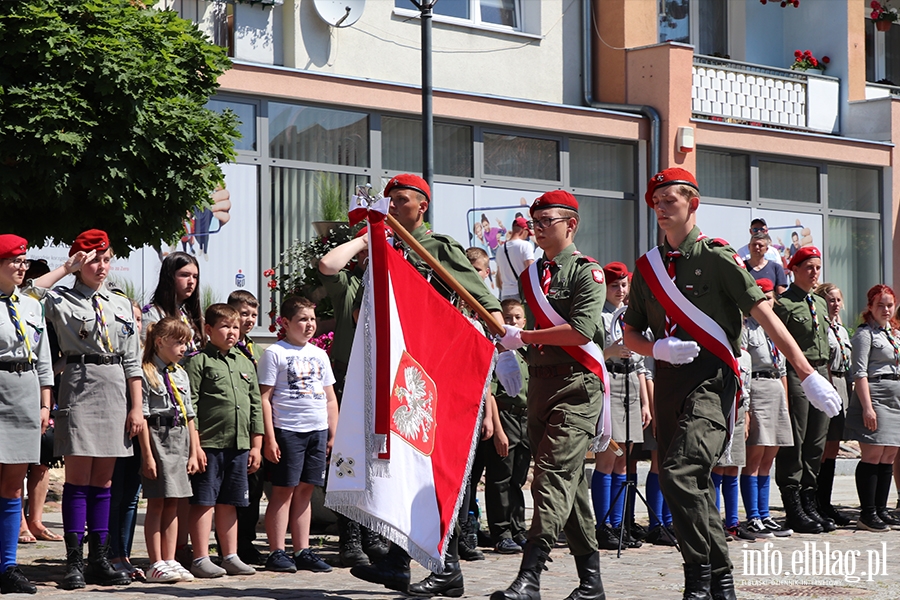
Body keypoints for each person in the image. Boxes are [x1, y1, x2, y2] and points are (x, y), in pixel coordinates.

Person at [621, 168, 840, 600]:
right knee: (680, 480)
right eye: (656, 201)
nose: (661, 208)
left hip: (711, 382)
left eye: (670, 200)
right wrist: (656, 350)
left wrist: (806, 371)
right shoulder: (647, 267)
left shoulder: (717, 257)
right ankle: (717, 580)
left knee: (683, 472)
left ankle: (700, 578)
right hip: (667, 384)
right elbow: (631, 333)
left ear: (692, 204)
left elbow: (765, 316)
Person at [350, 174, 502, 598]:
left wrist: (493, 346)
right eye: (390, 200)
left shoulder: (437, 248)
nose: (393, 206)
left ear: (422, 206)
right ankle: (399, 563)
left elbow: (482, 301)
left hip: (434, 373)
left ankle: (449, 571)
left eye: (401, 200)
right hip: (403, 373)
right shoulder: (392, 248)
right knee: (404, 471)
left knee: (435, 474)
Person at [493, 190, 607, 600]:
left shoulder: (586, 273)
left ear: (570, 225)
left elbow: (580, 330)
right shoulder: (530, 276)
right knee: (571, 488)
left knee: (550, 477)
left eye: (547, 221)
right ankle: (591, 583)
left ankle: (530, 576)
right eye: (534, 221)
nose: (538, 228)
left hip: (577, 386)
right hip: (539, 384)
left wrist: (522, 336)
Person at [28, 229, 144, 589]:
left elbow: (132, 360)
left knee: (104, 481)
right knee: (79, 479)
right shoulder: (62, 299)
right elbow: (28, 294)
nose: (102, 266)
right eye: (93, 259)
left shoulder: (121, 303)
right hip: (80, 385)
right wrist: (66, 268)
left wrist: (136, 407)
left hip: (114, 389)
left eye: (106, 259)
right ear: (80, 262)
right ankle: (74, 562)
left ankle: (99, 558)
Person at [318, 229, 390, 567]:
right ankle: (350, 538)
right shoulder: (351, 288)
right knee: (348, 463)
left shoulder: (397, 286)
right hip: (349, 382)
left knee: (378, 466)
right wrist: (366, 240)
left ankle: (373, 533)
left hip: (384, 386)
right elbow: (328, 265)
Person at [260, 296, 339, 574]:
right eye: (302, 319)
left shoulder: (319, 354)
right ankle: (276, 550)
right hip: (288, 431)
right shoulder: (275, 353)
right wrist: (270, 438)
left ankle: (302, 549)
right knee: (283, 491)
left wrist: (333, 433)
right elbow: (265, 399)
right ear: (285, 323)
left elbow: (329, 398)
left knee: (306, 489)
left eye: (312, 320)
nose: (309, 325)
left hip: (316, 431)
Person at [185, 303, 262, 578]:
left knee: (231, 501)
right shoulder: (198, 361)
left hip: (239, 445)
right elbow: (189, 405)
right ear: (208, 330)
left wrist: (256, 445)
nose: (231, 332)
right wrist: (195, 447)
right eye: (225, 327)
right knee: (204, 501)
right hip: (210, 444)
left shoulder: (245, 362)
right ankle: (200, 557)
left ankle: (229, 555)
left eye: (235, 327)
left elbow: (255, 405)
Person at [0, 235, 53, 594]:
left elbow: (44, 358)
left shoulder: (31, 305)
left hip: (25, 391)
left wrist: (45, 401)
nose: (21, 267)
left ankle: (7, 565)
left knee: (12, 484)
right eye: (14, 261)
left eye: (23, 262)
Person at [773, 246, 837, 535]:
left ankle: (810, 502)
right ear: (794, 270)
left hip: (822, 372)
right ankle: (793, 506)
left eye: (817, 268)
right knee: (796, 440)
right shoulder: (784, 305)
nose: (814, 273)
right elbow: (777, 346)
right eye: (809, 267)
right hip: (797, 373)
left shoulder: (820, 304)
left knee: (816, 441)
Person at [592, 261, 650, 550]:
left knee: (625, 459)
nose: (620, 290)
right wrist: (608, 351)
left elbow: (641, 362)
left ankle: (620, 523)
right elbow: (588, 356)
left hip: (630, 385)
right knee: (608, 455)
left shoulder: (630, 316)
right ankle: (603, 524)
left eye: (623, 285)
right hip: (610, 381)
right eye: (614, 285)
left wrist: (645, 402)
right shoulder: (598, 316)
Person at [138, 317, 199, 583]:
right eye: (179, 343)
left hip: (179, 439)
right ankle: (155, 562)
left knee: (175, 502)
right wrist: (148, 455)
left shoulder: (180, 373)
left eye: (186, 342)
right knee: (157, 502)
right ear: (161, 342)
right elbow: (142, 417)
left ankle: (171, 558)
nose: (184, 348)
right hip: (157, 437)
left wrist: (194, 451)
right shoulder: (146, 371)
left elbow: (190, 416)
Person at [740, 279, 794, 539]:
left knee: (769, 457)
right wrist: (746, 407)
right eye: (761, 296)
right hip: (757, 389)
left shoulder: (776, 329)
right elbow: (744, 369)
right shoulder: (746, 328)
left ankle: (764, 514)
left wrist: (785, 400)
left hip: (775, 390)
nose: (766, 301)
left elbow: (782, 369)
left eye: (769, 297)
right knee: (755, 457)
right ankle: (752, 517)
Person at [844, 285, 900, 531]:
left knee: (889, 455)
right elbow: (860, 373)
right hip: (875, 397)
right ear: (870, 307)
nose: (886, 309)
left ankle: (881, 509)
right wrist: (867, 407)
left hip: (895, 399)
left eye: (889, 305)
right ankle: (867, 513)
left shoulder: (894, 334)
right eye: (880, 305)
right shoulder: (865, 334)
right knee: (873, 455)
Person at [484, 299, 531, 554]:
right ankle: (501, 532)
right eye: (507, 318)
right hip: (506, 417)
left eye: (516, 317)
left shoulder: (525, 352)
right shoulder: (496, 351)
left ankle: (518, 528)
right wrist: (499, 431)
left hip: (525, 419)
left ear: (524, 321)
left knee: (518, 478)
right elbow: (490, 392)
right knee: (500, 478)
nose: (512, 322)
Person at [226, 290, 267, 566]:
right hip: (229, 431)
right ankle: (227, 544)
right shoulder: (224, 347)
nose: (250, 319)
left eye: (254, 314)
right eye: (244, 314)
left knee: (253, 489)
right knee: (228, 492)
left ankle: (246, 542)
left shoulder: (257, 351)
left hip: (253, 430)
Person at [107, 301, 145, 581]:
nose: (135, 325)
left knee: (131, 496)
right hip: (114, 428)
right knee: (115, 495)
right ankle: (110, 553)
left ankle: (125, 554)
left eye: (139, 319)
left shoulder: (147, 356)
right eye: (129, 320)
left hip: (142, 432)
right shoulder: (113, 352)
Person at [814, 283, 853, 526]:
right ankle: (814, 502)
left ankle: (826, 503)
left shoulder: (842, 330)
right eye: (830, 300)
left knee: (833, 448)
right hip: (825, 383)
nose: (835, 304)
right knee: (820, 447)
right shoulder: (821, 328)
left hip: (841, 384)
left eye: (838, 300)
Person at [142, 252, 203, 354]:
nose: (191, 281)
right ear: (169, 277)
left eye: (195, 276)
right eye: (184, 275)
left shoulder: (194, 315)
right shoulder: (153, 314)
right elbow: (146, 353)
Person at [495, 217, 535, 301]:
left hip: (505, 295)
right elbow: (531, 270)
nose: (527, 236)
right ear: (523, 230)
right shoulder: (525, 245)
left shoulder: (500, 249)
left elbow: (499, 278)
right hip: (521, 294)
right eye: (527, 233)